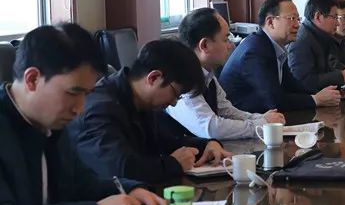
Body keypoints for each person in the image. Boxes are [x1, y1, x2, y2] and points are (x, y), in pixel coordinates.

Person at [0, 24, 165, 205]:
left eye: (86, 94)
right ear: (32, 79)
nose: (80, 108)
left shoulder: (52, 125)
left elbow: (82, 185)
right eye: (72, 93)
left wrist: (130, 190)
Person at [70, 39, 229, 182]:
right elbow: (120, 170)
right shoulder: (101, 109)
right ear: (153, 78)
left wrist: (207, 145)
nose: (173, 103)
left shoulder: (141, 102)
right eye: (175, 94)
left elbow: (166, 142)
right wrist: (173, 164)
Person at [165, 7, 285, 140]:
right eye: (226, 39)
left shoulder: (207, 74)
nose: (230, 46)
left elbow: (226, 110)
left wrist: (260, 118)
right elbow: (212, 128)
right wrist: (262, 124)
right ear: (204, 45)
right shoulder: (182, 79)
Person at [220, 0, 341, 112]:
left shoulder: (274, 47)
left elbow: (292, 85)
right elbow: (273, 100)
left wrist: (320, 95)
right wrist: (315, 99)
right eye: (292, 18)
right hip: (243, 119)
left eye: (298, 19)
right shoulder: (255, 50)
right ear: (270, 22)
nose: (297, 25)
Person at [288, 0, 345, 91]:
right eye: (335, 17)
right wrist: (341, 76)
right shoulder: (301, 41)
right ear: (318, 17)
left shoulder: (322, 37)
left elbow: (328, 71)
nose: (338, 23)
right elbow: (302, 82)